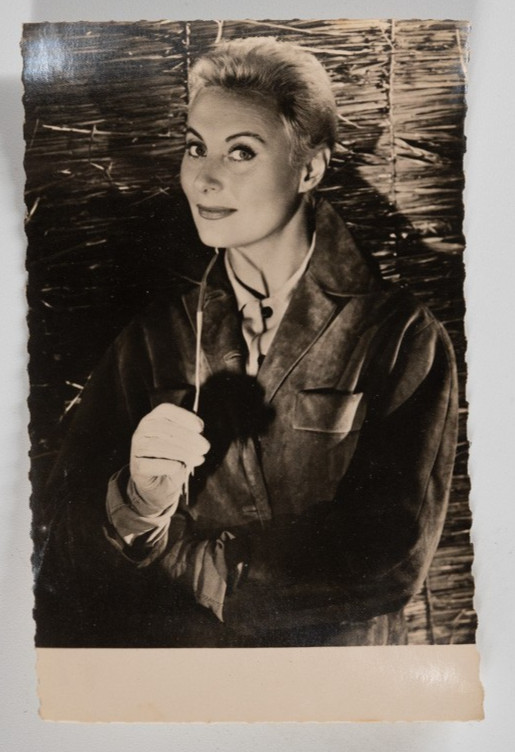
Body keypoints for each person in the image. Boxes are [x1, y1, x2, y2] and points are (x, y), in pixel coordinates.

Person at [35, 37, 458, 648]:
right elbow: (62, 546)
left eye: (241, 152)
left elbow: (388, 559)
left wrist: (192, 564)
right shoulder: (152, 340)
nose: (204, 179)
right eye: (195, 148)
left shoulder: (399, 336)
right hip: (183, 681)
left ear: (309, 169)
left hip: (340, 684)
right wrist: (137, 503)